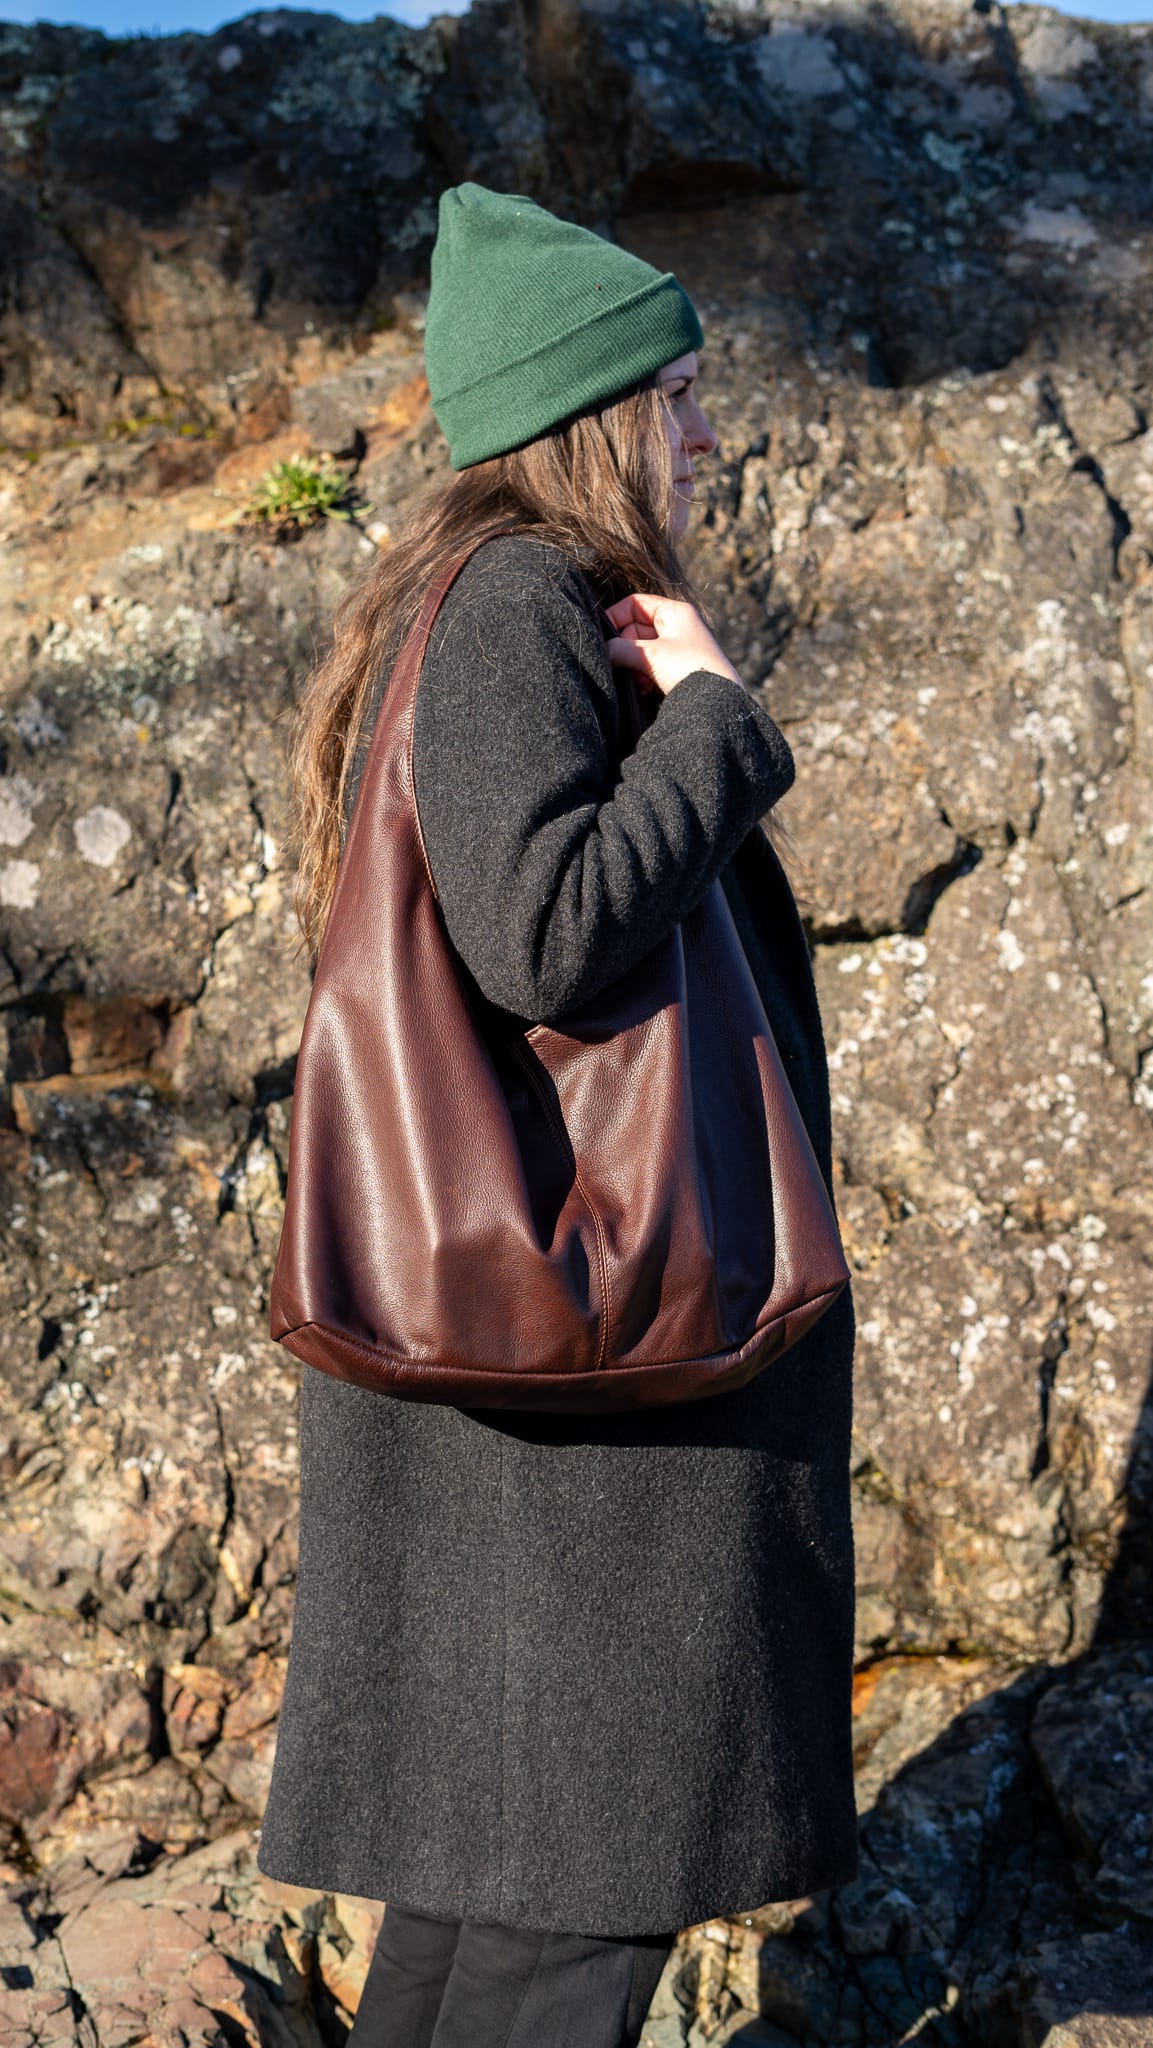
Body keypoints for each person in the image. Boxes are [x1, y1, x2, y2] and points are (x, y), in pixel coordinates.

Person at [256, 182, 858, 2048]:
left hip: (549, 1414)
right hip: (591, 1407)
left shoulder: (483, 603)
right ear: (590, 413)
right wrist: (714, 724)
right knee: (574, 1909)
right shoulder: (525, 599)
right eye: (676, 395)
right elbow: (541, 931)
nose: (704, 433)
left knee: (494, 1915)